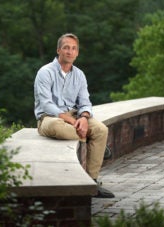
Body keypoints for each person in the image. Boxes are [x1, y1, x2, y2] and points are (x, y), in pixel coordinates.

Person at [34, 33, 114, 198]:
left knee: (101, 129)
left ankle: (92, 182)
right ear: (59, 50)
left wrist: (84, 117)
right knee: (58, 127)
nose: (70, 52)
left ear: (77, 52)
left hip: (75, 116)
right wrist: (71, 120)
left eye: (73, 48)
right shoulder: (45, 72)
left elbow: (85, 102)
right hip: (49, 118)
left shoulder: (79, 75)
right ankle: (94, 142)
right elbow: (46, 104)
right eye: (66, 48)